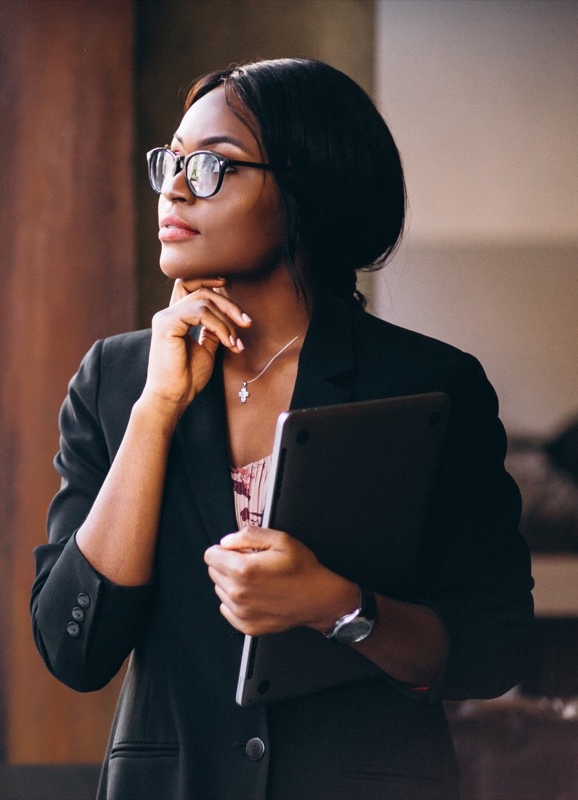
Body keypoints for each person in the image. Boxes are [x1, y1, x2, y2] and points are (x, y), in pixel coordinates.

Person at [30, 58, 534, 799]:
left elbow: (493, 647)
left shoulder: (432, 385)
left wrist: (338, 606)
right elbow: (74, 649)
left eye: (212, 167)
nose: (173, 186)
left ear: (303, 188)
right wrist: (154, 413)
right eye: (172, 160)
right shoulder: (115, 381)